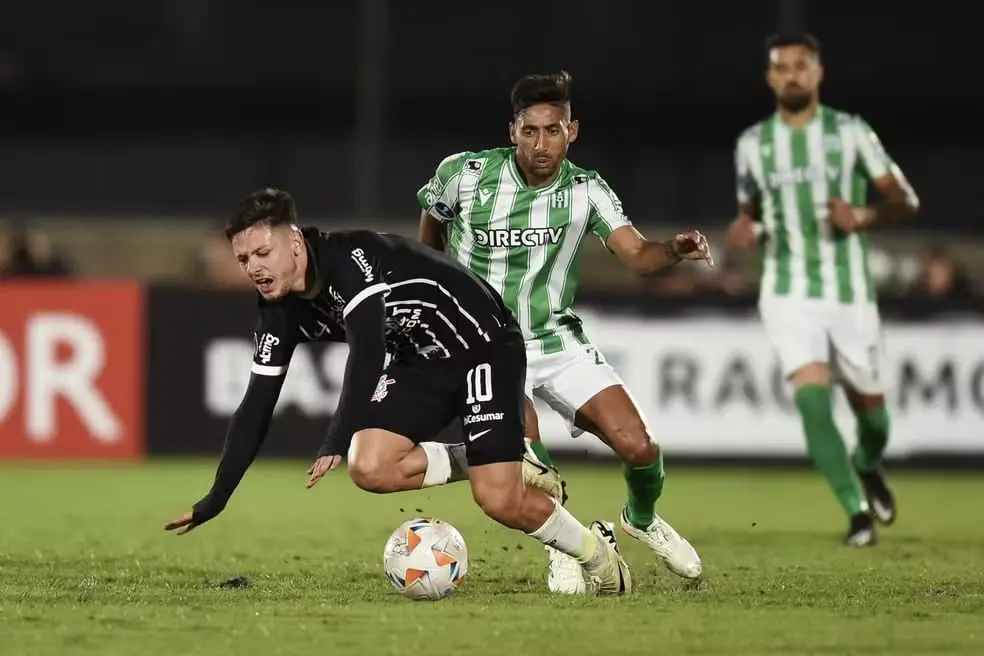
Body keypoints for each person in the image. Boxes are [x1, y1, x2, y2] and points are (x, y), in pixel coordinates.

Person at [163, 188, 631, 595]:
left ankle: (596, 554)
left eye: (263, 252)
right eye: (244, 259)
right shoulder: (277, 312)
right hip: (419, 358)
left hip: (482, 343)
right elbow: (256, 406)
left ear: (295, 241)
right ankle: (507, 459)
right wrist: (216, 499)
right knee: (369, 466)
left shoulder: (349, 260)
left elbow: (367, 352)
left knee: (499, 501)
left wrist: (334, 438)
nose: (254, 267)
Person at [417, 71, 710, 593]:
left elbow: (638, 255)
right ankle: (567, 547)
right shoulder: (465, 174)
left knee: (641, 448)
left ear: (571, 131)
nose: (541, 144)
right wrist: (437, 286)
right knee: (530, 458)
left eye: (552, 131)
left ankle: (640, 520)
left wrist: (675, 249)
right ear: (512, 131)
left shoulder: (585, 189)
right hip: (487, 348)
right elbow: (430, 225)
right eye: (530, 131)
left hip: (556, 339)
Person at [727, 33, 920, 546]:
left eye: (800, 66)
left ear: (818, 73)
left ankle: (867, 462)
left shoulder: (850, 132)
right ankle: (857, 514)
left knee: (874, 419)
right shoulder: (752, 145)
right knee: (813, 403)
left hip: (849, 292)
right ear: (770, 78)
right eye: (781, 67)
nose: (791, 75)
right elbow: (752, 214)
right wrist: (747, 230)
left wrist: (863, 215)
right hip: (786, 291)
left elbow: (905, 200)